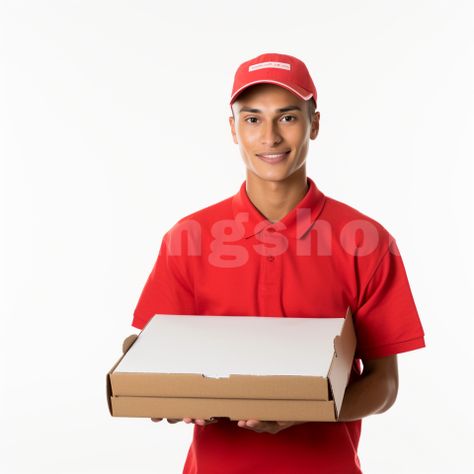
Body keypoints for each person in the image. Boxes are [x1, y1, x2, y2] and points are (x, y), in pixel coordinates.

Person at [123, 52, 426, 474]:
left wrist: (305, 408)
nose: (270, 137)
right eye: (252, 119)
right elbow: (155, 357)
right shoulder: (188, 238)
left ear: (314, 124)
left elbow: (385, 385)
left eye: (287, 117)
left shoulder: (366, 241)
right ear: (233, 129)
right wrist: (166, 393)